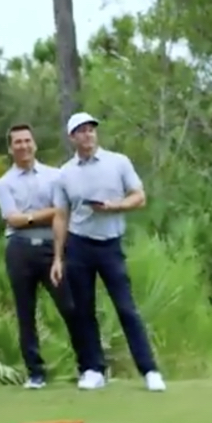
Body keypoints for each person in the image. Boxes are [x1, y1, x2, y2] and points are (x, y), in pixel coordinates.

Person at [49, 112, 166, 392]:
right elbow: (61, 216)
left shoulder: (118, 162)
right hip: (79, 245)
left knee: (126, 308)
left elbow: (139, 197)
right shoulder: (64, 173)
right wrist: (57, 257)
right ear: (72, 138)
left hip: (110, 245)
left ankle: (149, 370)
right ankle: (93, 369)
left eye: (91, 130)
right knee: (84, 311)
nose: (88, 135)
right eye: (81, 131)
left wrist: (115, 207)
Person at [0, 123, 83, 389]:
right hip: (19, 249)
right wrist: (48, 213)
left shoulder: (54, 176)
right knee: (25, 312)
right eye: (17, 142)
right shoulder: (3, 183)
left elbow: (62, 213)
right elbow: (14, 219)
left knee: (70, 307)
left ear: (34, 144)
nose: (23, 146)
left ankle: (87, 366)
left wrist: (34, 216)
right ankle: (35, 373)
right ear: (11, 148)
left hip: (51, 247)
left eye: (27, 141)